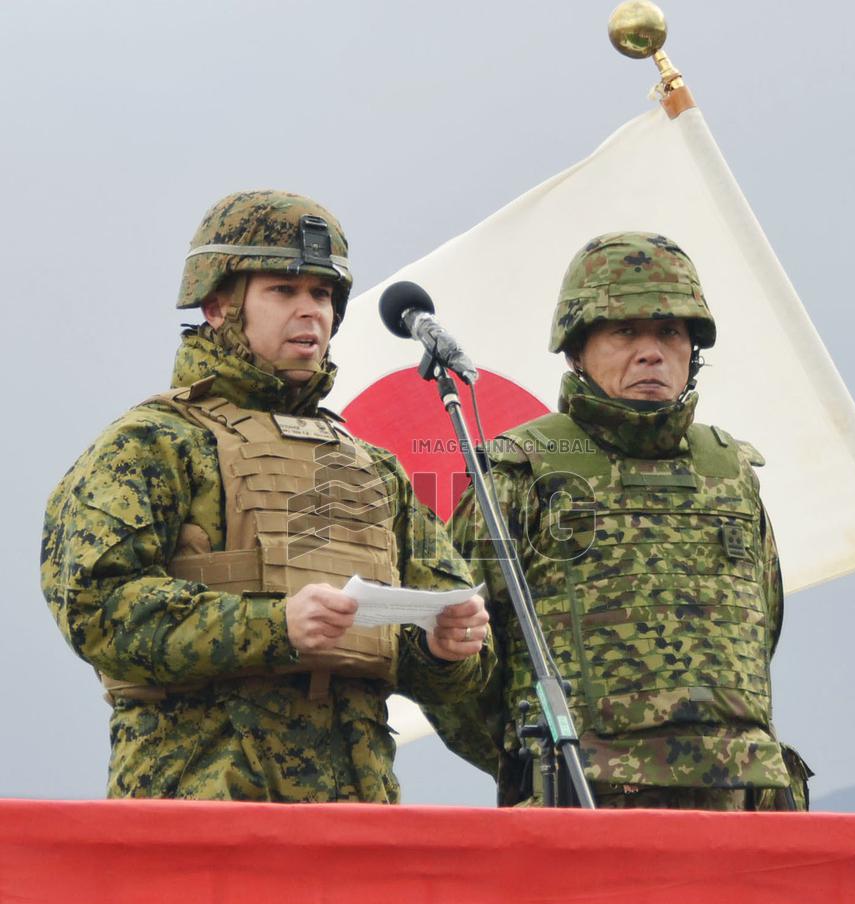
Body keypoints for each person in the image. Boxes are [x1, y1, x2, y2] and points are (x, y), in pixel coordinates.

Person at [41, 190, 488, 803]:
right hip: (199, 810)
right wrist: (275, 625)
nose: (311, 313)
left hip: (357, 821)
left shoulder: (372, 468)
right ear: (219, 305)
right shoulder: (153, 444)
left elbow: (454, 664)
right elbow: (97, 608)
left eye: (323, 295)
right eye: (284, 291)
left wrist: (445, 650)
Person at [425, 232, 810, 810]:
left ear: (692, 350)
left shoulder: (730, 473)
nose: (651, 352)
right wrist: (535, 761)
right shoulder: (518, 473)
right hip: (586, 809)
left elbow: (763, 628)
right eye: (625, 332)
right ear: (577, 350)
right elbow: (452, 666)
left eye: (670, 333)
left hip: (743, 813)